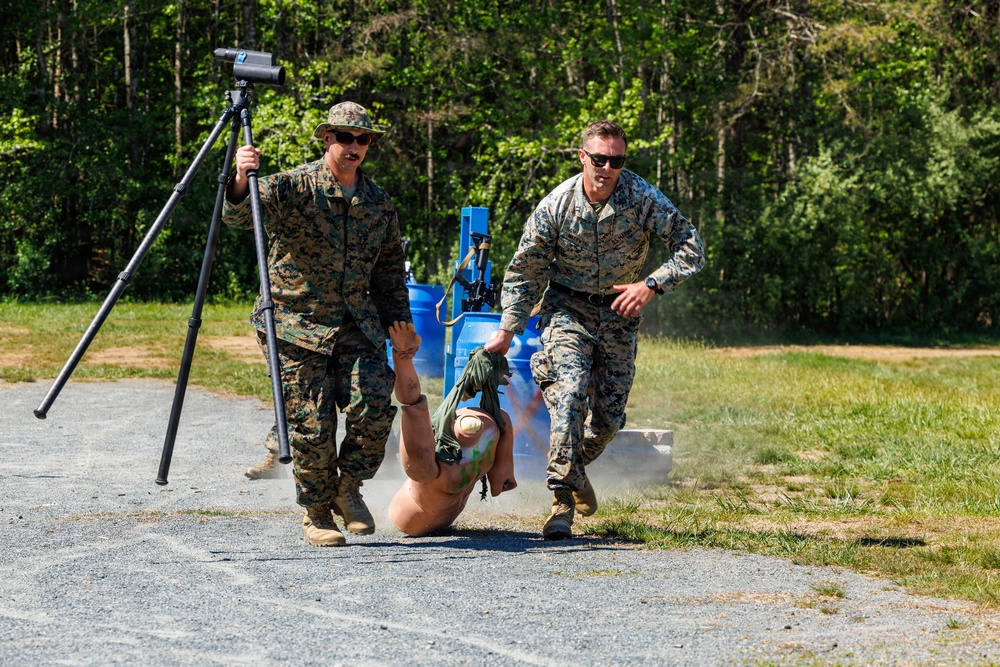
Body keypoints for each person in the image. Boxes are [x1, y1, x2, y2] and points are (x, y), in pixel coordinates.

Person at [483, 119, 705, 540]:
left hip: (619, 317)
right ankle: (561, 501)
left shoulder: (641, 197)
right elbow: (525, 269)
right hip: (567, 309)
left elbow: (691, 246)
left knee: (607, 423)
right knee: (569, 392)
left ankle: (574, 467)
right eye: (599, 159)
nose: (607, 168)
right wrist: (508, 328)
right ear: (583, 156)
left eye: (616, 160)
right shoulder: (556, 205)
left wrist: (652, 284)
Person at [223, 101, 411, 547]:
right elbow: (236, 217)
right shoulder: (294, 187)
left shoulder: (378, 203)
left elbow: (388, 272)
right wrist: (237, 177)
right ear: (326, 139)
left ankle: (348, 489)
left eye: (362, 139)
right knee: (312, 423)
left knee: (374, 402)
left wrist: (400, 323)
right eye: (345, 137)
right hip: (294, 322)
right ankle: (316, 511)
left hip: (354, 324)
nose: (354, 146)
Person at [385, 322, 517, 537]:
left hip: (422, 518)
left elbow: (502, 478)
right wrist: (403, 360)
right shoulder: (496, 425)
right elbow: (413, 411)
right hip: (409, 519)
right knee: (417, 420)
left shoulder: (497, 424)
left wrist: (404, 359)